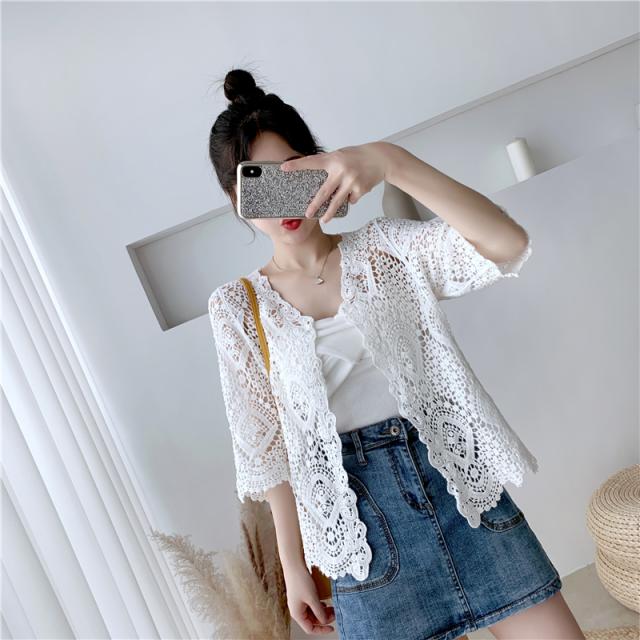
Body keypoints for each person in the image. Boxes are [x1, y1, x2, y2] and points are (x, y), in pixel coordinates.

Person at [207, 68, 585, 640]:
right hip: (361, 538)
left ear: (323, 164)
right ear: (235, 199)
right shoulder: (239, 307)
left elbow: (506, 244)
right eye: (257, 184)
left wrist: (389, 160)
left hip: (461, 492)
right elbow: (269, 451)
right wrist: (294, 568)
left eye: (293, 173)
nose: (280, 199)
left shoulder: (386, 250)